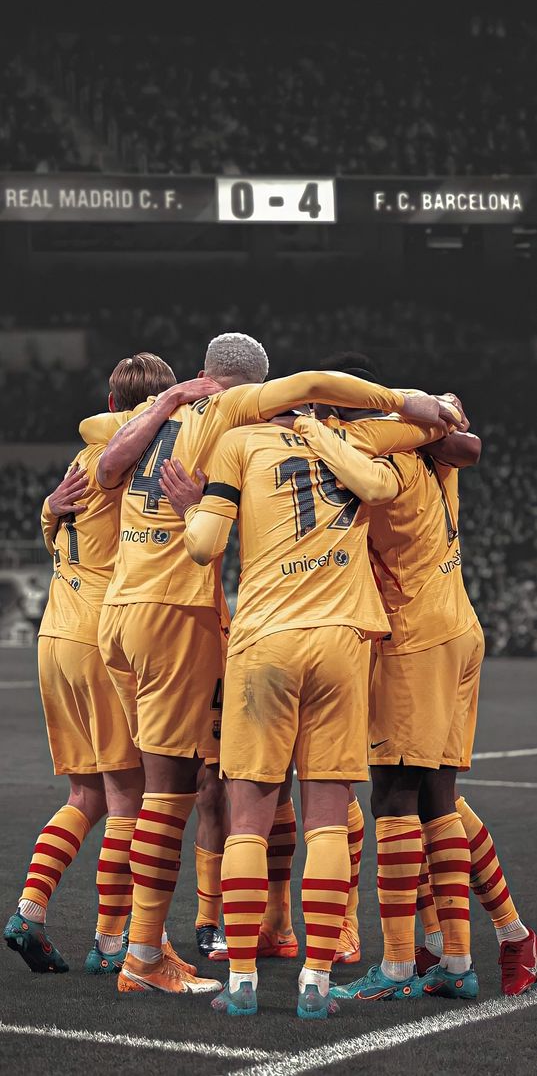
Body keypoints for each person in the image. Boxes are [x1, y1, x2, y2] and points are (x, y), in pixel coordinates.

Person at [78, 331, 456, 997]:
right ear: (252, 386)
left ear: (202, 372)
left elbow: (106, 461)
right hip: (210, 617)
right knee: (254, 799)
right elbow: (329, 395)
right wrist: (416, 403)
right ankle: (189, 953)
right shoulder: (241, 419)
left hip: (128, 610)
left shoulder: (154, 419)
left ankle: (215, 958)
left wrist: (169, 398)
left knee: (152, 792)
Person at [296, 359, 535, 1000]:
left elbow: (368, 485)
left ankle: (401, 963)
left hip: (413, 638)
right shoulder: (430, 448)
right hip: (455, 627)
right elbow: (468, 443)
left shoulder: (382, 458)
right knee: (439, 800)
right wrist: (426, 416)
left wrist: (316, 430)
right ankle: (479, 948)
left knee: (394, 798)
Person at [3, 353, 214, 987]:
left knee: (85, 795)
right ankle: (114, 937)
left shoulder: (79, 463)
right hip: (102, 637)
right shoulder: (136, 463)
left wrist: (47, 506)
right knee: (131, 798)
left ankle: (30, 910)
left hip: (54, 636)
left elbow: (54, 529)